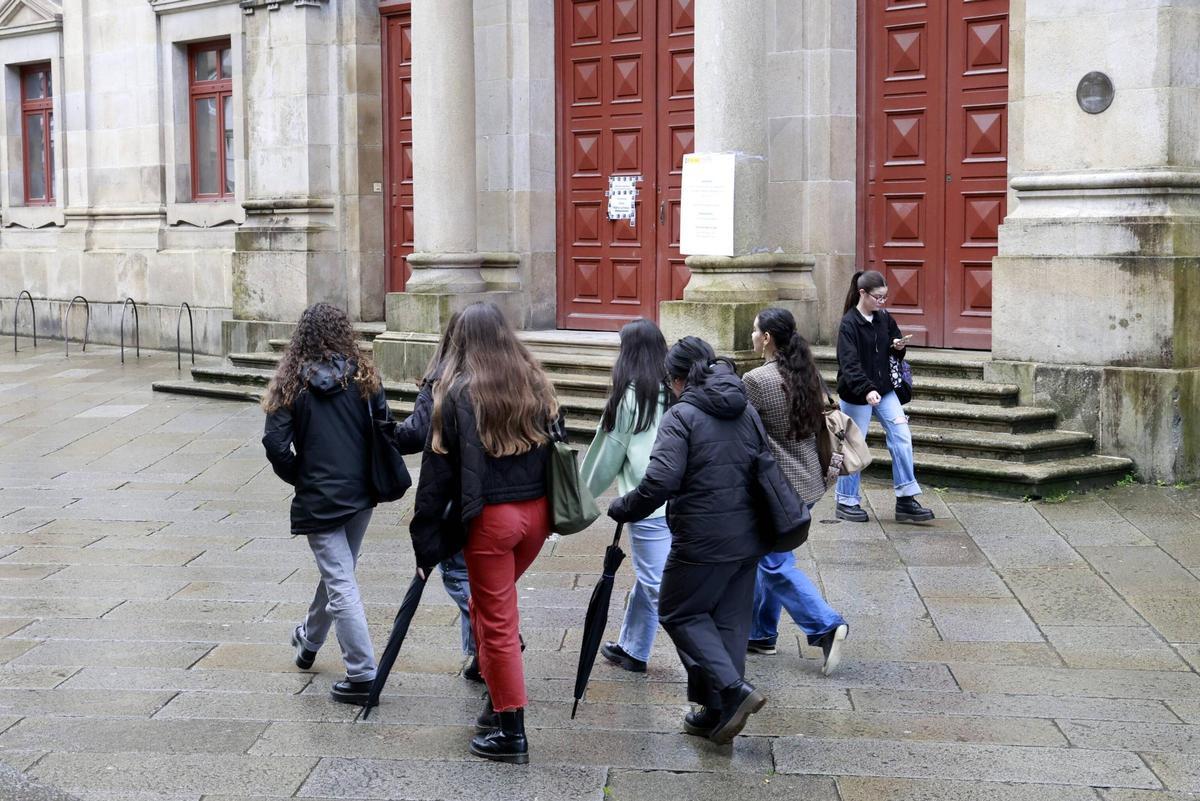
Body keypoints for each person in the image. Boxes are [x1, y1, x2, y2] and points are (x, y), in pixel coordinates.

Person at [409, 302, 559, 765]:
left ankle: (510, 728)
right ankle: (495, 702)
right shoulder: (534, 381)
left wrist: (426, 543)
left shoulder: (457, 392)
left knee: (496, 623)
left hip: (492, 521)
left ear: (460, 341)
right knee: (485, 607)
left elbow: (437, 477)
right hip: (537, 516)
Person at [607, 337, 770, 745]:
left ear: (677, 380)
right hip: (749, 535)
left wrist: (625, 506)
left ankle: (733, 692)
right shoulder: (746, 408)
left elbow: (661, 480)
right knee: (729, 621)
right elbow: (764, 463)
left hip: (701, 538)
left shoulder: (681, 416)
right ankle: (716, 712)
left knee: (679, 611)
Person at [262, 302, 394, 705]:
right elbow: (384, 425)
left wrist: (301, 476)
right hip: (360, 495)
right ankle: (309, 639)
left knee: (339, 578)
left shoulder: (290, 382)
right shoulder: (364, 375)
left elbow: (275, 444)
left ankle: (363, 673)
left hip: (321, 498)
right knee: (339, 573)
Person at [744, 308, 849, 675]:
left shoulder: (756, 380)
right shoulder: (807, 372)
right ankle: (761, 633)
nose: (752, 337)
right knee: (770, 554)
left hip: (779, 487)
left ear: (768, 338)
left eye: (755, 331)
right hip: (811, 479)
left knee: (773, 562)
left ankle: (825, 625)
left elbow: (745, 433)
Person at [382, 311, 478, 682]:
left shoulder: (443, 382)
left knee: (458, 573)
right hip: (503, 499)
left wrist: (378, 430)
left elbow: (414, 434)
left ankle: (492, 642)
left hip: (454, 497)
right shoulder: (509, 379)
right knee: (481, 574)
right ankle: (479, 655)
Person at [580, 318, 671, 674]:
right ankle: (633, 648)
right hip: (682, 499)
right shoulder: (675, 388)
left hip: (647, 505)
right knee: (650, 579)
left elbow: (607, 458)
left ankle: (715, 671)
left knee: (657, 587)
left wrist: (577, 501)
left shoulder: (630, 397)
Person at [834, 270, 934, 523]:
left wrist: (898, 347)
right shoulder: (849, 323)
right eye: (878, 297)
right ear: (863, 294)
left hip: (886, 389)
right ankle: (846, 501)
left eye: (885, 297)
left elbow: (891, 348)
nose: (882, 302)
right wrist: (867, 389)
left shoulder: (884, 318)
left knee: (901, 436)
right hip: (857, 393)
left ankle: (906, 498)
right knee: (854, 445)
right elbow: (849, 364)